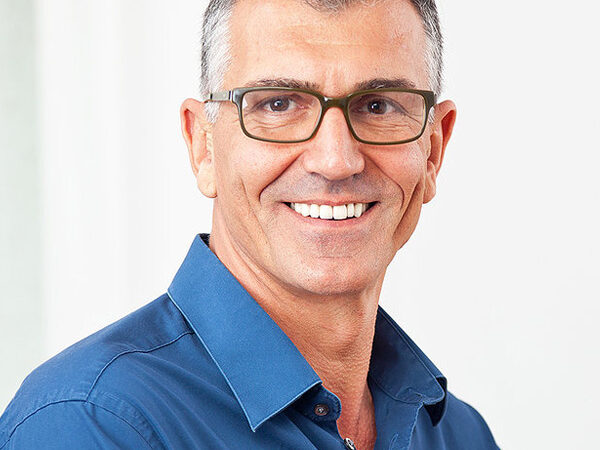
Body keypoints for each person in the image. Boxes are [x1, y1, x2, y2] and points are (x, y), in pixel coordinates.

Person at [0, 0, 500, 448]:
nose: (336, 160)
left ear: (433, 152)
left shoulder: (460, 435)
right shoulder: (94, 423)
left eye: (378, 106)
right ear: (203, 146)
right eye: (278, 104)